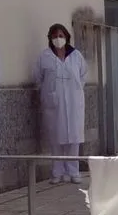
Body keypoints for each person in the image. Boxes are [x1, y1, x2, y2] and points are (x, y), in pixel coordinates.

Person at [33, 23, 87, 184]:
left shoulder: (76, 56)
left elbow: (83, 74)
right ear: (50, 38)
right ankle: (57, 172)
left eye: (61, 36)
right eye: (55, 36)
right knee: (56, 138)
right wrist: (48, 93)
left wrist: (74, 91)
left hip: (73, 102)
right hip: (54, 104)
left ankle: (73, 171)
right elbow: (38, 77)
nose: (58, 39)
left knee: (73, 139)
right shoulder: (45, 56)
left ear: (67, 37)